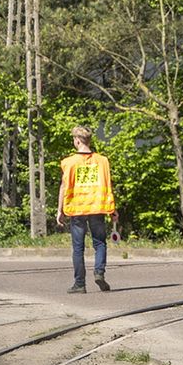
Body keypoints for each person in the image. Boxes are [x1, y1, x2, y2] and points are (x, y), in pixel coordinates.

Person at [55, 126, 119, 294]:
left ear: (77, 141)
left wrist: (59, 210)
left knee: (78, 248)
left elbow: (64, 186)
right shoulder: (102, 161)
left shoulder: (69, 162)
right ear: (89, 140)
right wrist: (112, 208)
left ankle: (80, 284)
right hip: (97, 206)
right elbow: (107, 184)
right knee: (99, 243)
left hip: (77, 209)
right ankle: (99, 272)